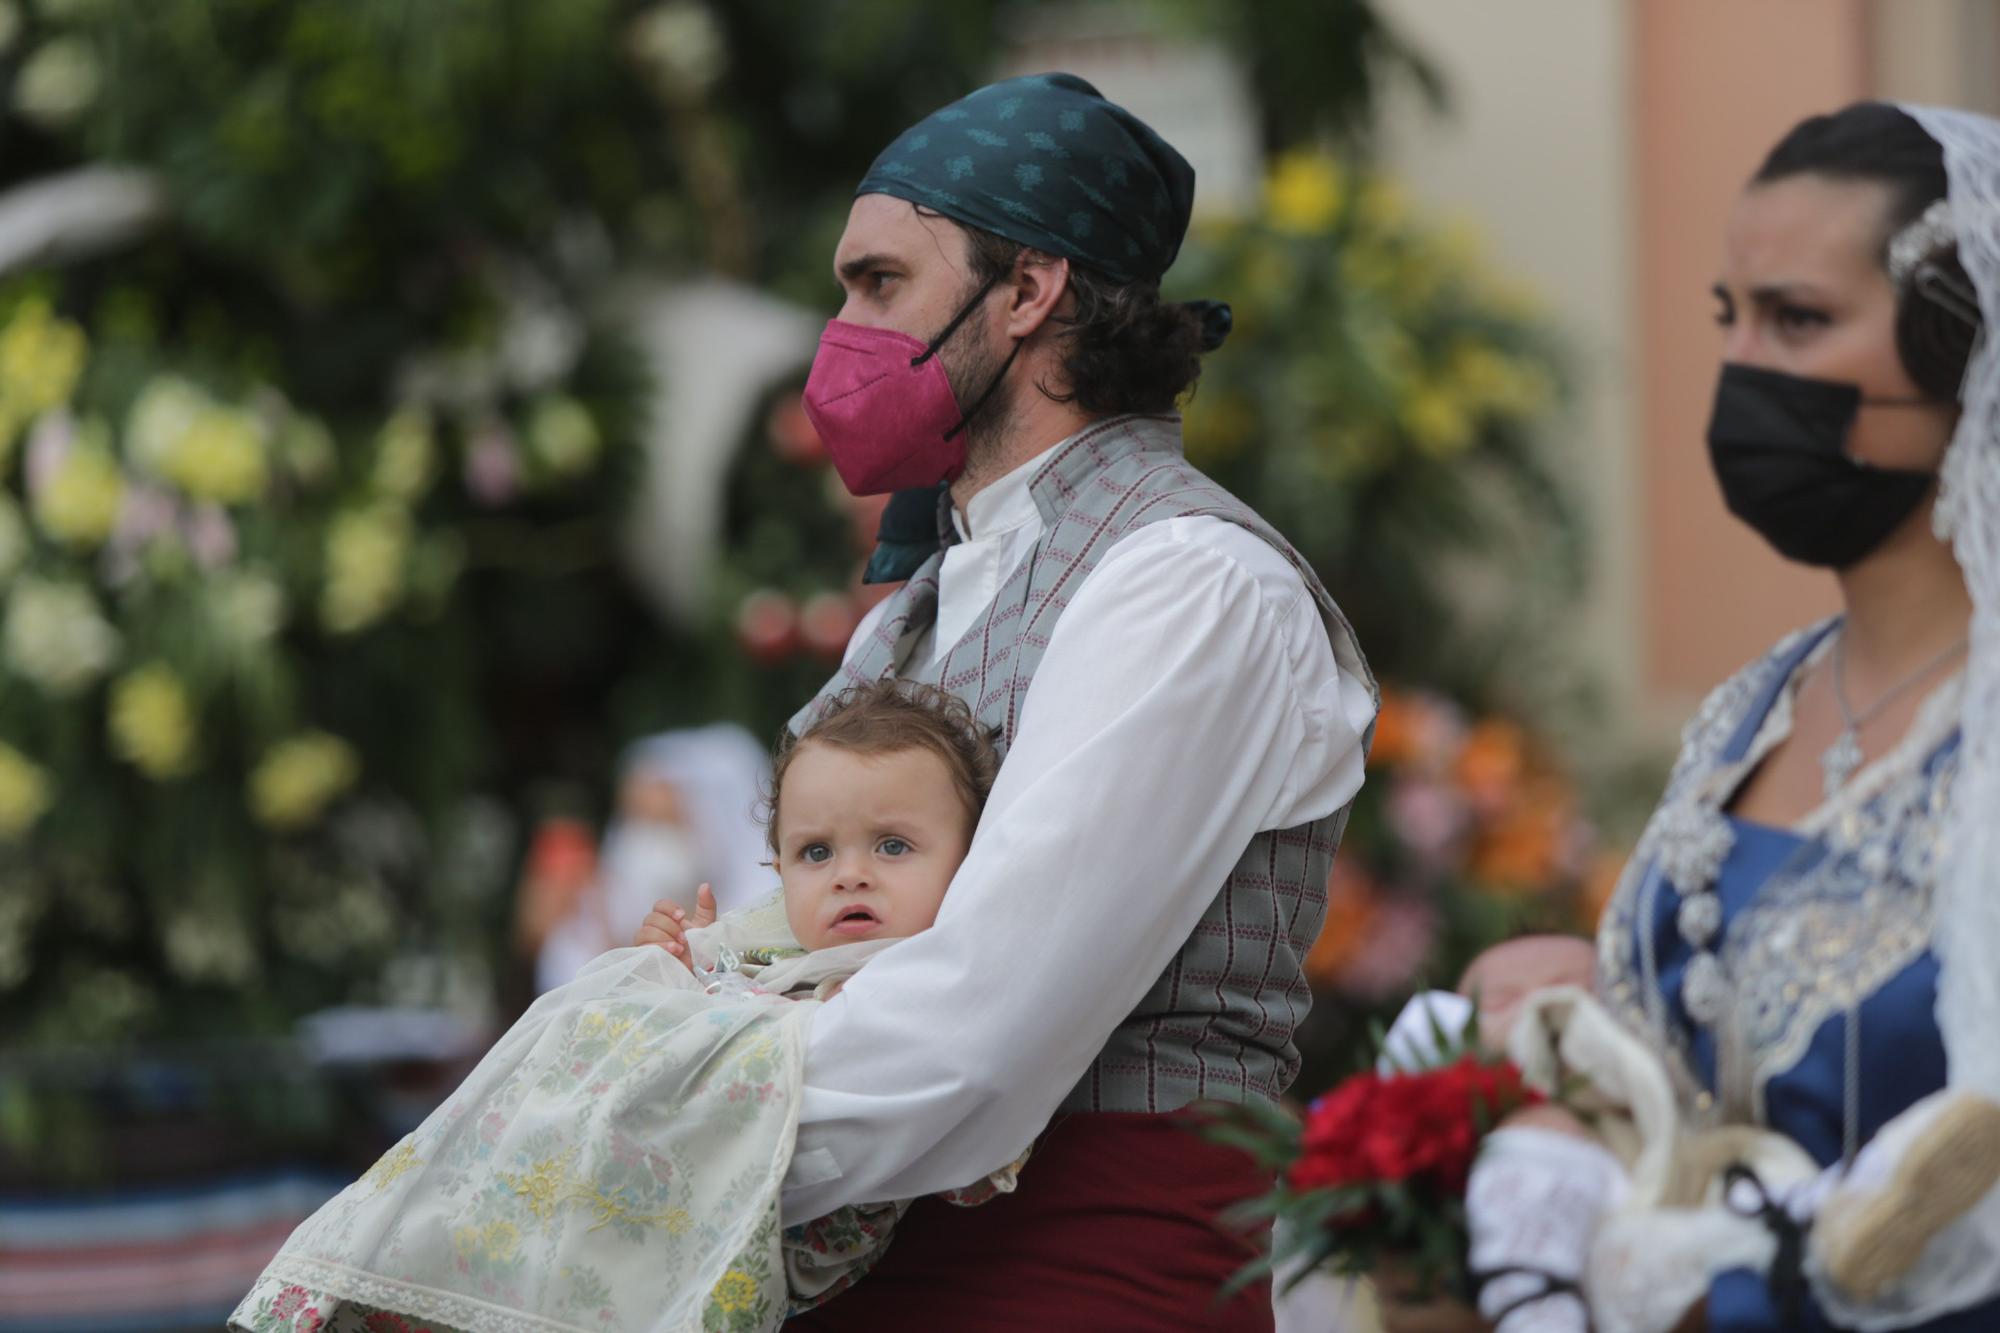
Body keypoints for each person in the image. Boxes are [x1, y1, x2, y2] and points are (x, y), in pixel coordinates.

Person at [758, 70, 1378, 1329]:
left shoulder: (1192, 581)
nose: (842, 332)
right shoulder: (905, 616)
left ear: (1029, 291)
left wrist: (650, 1147)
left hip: (1086, 1283)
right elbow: (802, 952)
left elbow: (972, 1035)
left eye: (880, 283)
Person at [1380, 101, 2000, 1333]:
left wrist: (1697, 1292)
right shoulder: (1751, 709)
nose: (1745, 370)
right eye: (1733, 318)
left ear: (1963, 349)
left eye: (1800, 319)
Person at [230, 681, 1019, 1333]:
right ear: (776, 865)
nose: (850, 874)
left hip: (771, 1222)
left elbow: (951, 1107)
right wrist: (675, 967)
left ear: (971, 859)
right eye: (816, 852)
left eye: (892, 845)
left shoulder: (922, 970)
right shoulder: (768, 942)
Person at [529, 722, 777, 993]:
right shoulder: (597, 913)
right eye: (636, 821)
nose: (646, 841)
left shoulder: (771, 915)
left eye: (663, 824)